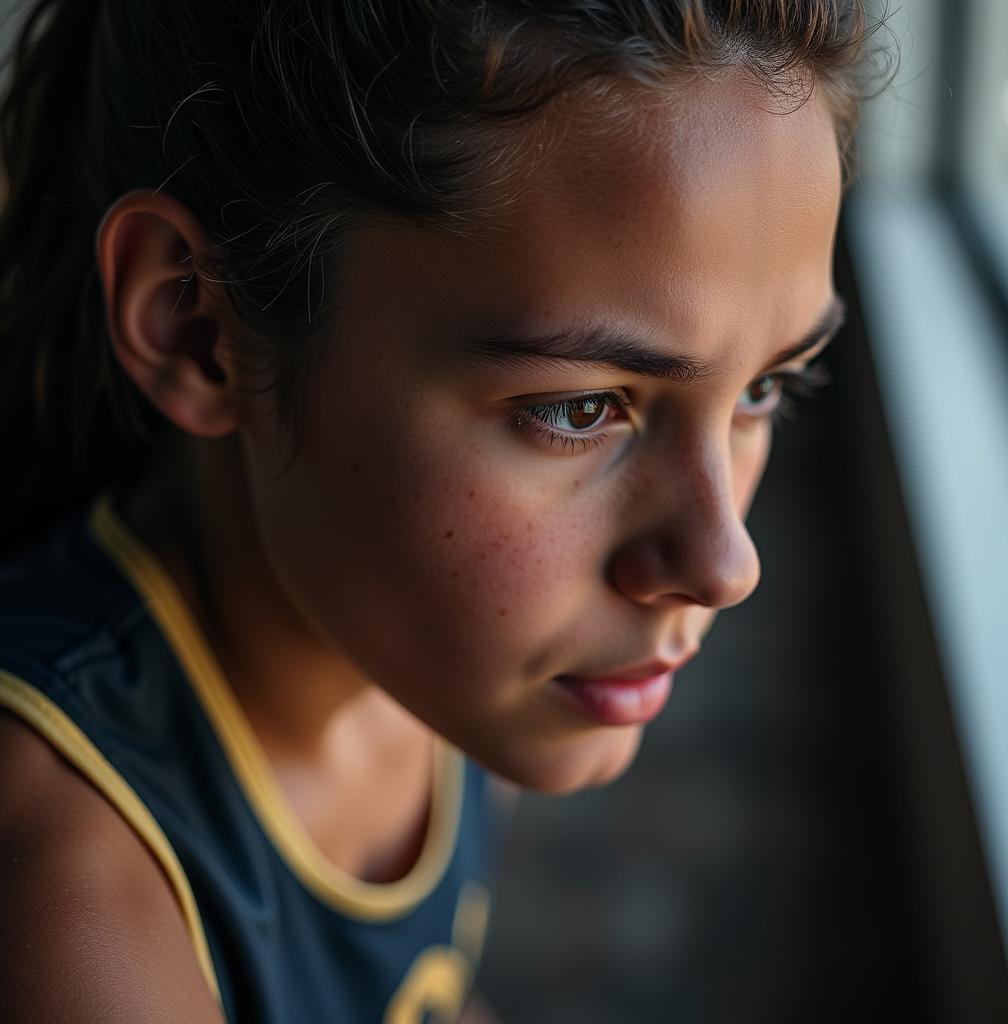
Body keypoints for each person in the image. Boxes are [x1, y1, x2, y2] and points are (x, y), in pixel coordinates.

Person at [0, 1, 874, 1021]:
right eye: (578, 408)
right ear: (197, 323)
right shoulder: (69, 912)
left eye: (765, 390)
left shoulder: (434, 662)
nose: (725, 563)